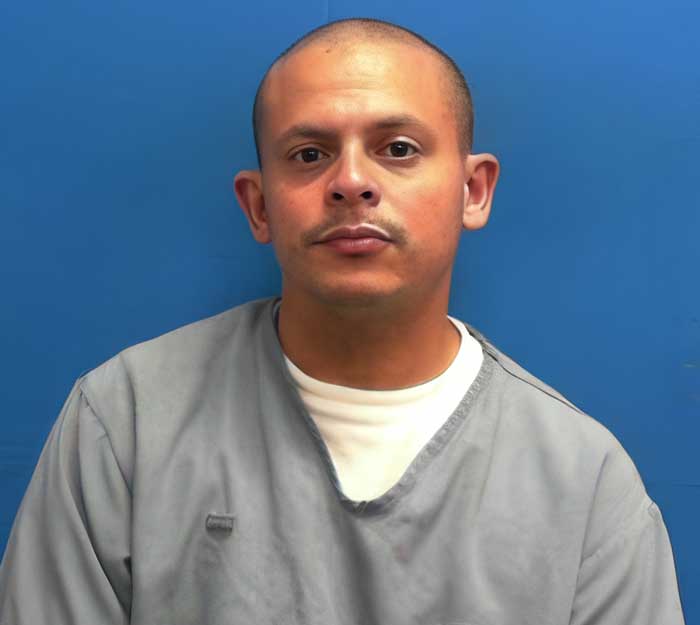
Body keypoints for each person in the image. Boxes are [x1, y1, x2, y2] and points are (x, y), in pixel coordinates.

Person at [0, 17, 685, 625]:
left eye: (398, 148)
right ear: (259, 206)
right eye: (309, 154)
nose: (351, 181)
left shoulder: (584, 481)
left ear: (473, 190)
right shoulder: (125, 424)